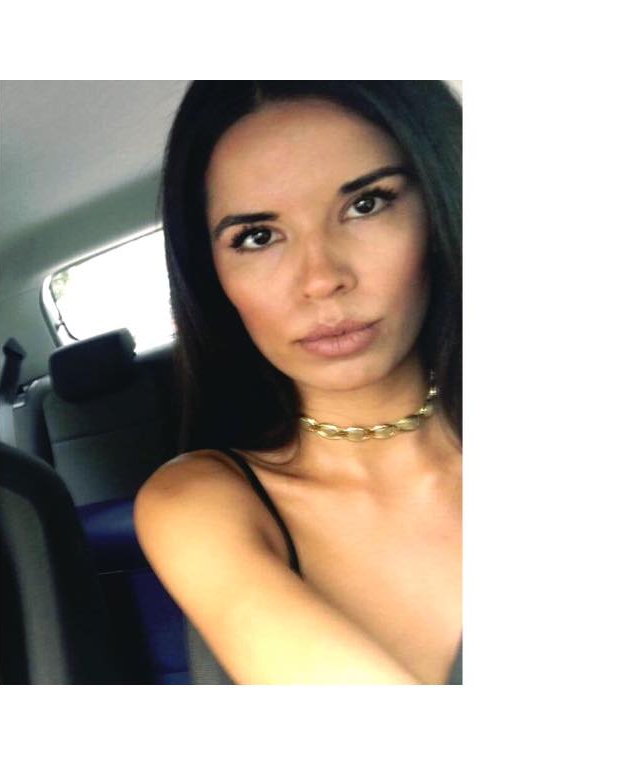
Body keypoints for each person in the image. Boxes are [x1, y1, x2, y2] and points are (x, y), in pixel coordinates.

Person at [135, 81, 462, 684]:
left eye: (367, 204)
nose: (320, 280)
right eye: (257, 237)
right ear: (213, 278)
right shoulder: (196, 501)